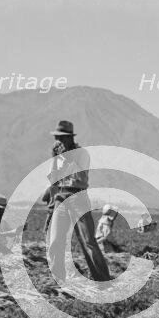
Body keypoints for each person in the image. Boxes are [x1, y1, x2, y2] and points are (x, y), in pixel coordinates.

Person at [46, 120, 111, 282]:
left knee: (88, 241)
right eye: (56, 138)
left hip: (78, 197)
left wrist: (67, 158)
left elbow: (80, 177)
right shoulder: (57, 156)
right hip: (60, 198)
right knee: (55, 241)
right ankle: (58, 279)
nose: (58, 141)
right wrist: (54, 159)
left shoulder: (81, 154)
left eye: (61, 138)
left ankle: (102, 279)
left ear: (70, 138)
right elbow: (53, 180)